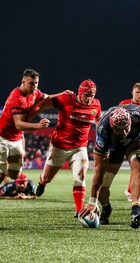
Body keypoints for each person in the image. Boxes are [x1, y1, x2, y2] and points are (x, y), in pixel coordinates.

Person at [0, 69, 65, 216]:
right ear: (23, 82)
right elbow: (19, 124)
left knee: (15, 175)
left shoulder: (34, 92)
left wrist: (64, 94)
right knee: (0, 175)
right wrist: (38, 126)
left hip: (16, 139)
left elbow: (47, 97)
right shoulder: (17, 98)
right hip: (0, 137)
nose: (34, 86)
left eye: (36, 83)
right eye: (31, 83)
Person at [78, 104, 140, 229]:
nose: (124, 132)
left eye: (126, 128)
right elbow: (99, 168)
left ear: (130, 121)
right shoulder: (103, 131)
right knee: (104, 186)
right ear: (112, 126)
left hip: (137, 139)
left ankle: (135, 211)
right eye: (119, 130)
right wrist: (92, 201)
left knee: (139, 163)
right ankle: (106, 208)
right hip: (114, 146)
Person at [33, 79, 102, 218]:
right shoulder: (66, 98)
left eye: (92, 95)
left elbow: (98, 120)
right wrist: (29, 118)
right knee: (47, 178)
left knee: (80, 176)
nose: (89, 99)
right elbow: (42, 105)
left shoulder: (96, 104)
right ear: (80, 92)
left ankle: (78, 210)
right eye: (86, 95)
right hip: (59, 146)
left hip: (79, 147)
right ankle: (42, 183)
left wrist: (101, 135)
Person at [119, 82, 140, 201]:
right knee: (136, 166)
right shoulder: (124, 104)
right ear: (132, 92)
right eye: (137, 92)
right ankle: (131, 192)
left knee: (138, 165)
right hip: (127, 137)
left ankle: (132, 192)